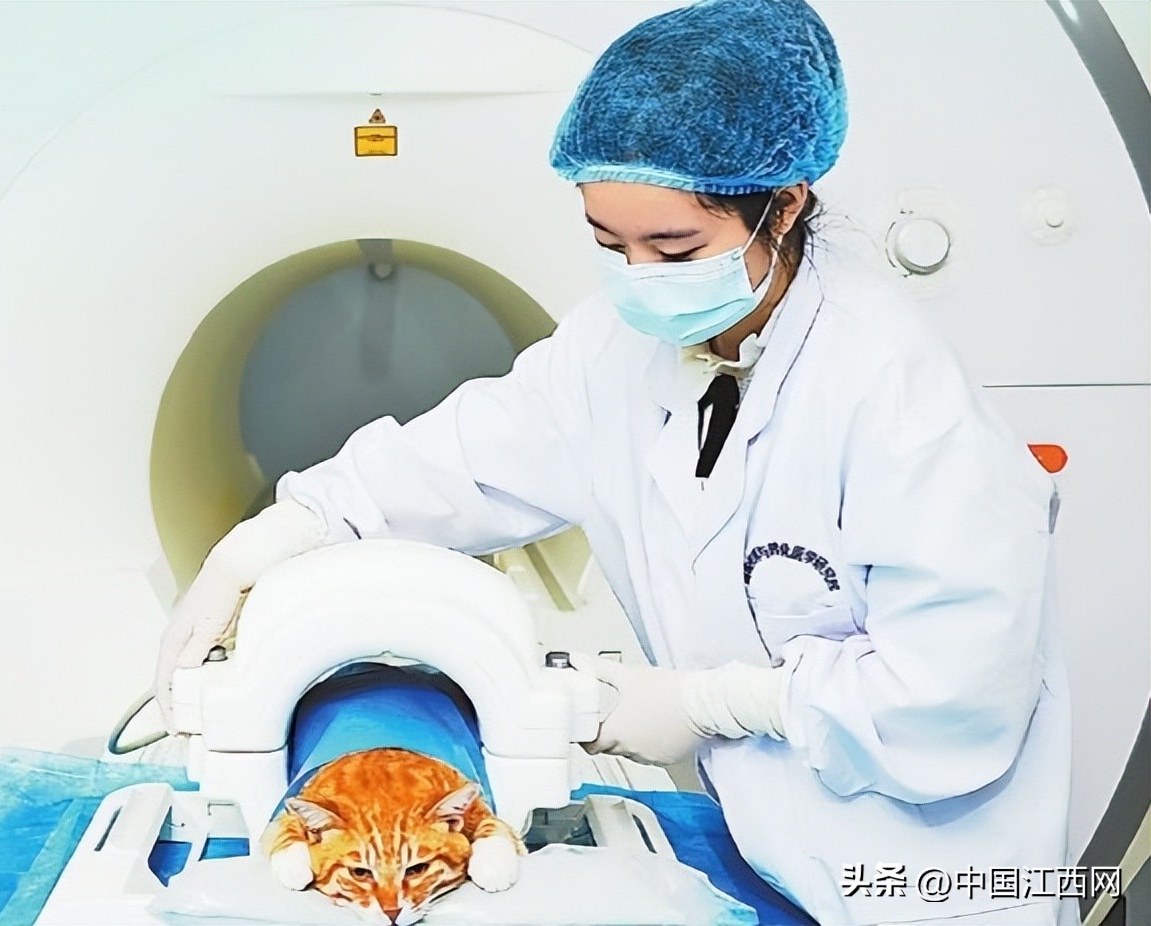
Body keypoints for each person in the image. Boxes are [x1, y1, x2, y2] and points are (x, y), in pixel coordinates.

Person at [155, 1, 1072, 922]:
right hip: (774, 849)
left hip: (933, 878)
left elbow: (952, 696)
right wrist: (283, 530)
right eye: (609, 245)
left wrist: (713, 704)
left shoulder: (896, 391)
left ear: (784, 205)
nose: (641, 275)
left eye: (674, 247)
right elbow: (463, 458)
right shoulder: (613, 349)